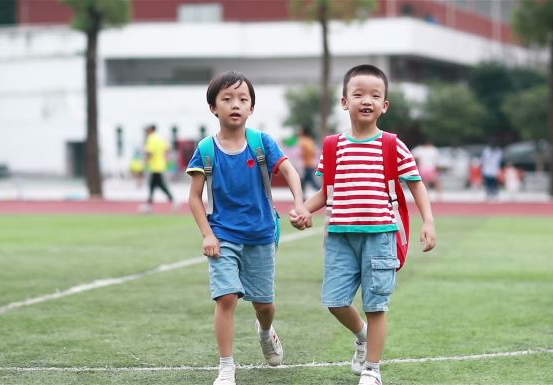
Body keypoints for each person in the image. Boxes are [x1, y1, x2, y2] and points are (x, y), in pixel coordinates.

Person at [290, 64, 436, 385]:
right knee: (335, 302)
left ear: (384, 105)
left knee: (376, 305)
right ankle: (362, 336)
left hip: (380, 237)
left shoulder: (392, 145)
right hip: (340, 238)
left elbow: (416, 185)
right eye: (358, 94)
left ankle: (372, 369)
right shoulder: (332, 147)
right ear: (344, 102)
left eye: (374, 95)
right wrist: (304, 210)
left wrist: (428, 221)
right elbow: (327, 193)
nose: (366, 100)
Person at [186, 71, 311, 385]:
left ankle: (265, 331)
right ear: (213, 108)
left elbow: (289, 171)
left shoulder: (261, 143)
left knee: (264, 305)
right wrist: (208, 234)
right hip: (223, 235)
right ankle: (226, 367)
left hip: (261, 234)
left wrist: (299, 202)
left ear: (252, 108)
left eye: (243, 99)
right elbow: (194, 198)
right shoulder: (206, 149)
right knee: (226, 298)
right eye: (226, 99)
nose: (235, 105)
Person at [142, 124, 174, 211]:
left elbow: (149, 152)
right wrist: (166, 159)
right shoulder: (161, 138)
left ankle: (172, 200)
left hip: (154, 166)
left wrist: (145, 163)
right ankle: (149, 204)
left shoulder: (151, 138)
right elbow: (167, 149)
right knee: (155, 185)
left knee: (156, 185)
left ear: (151, 130)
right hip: (161, 165)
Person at [297, 124, 320, 199]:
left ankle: (324, 194)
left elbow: (304, 152)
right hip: (310, 164)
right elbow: (313, 152)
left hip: (307, 165)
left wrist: (303, 154)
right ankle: (302, 198)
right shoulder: (310, 140)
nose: (299, 131)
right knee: (305, 182)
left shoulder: (303, 141)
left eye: (300, 130)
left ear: (303, 132)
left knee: (310, 183)